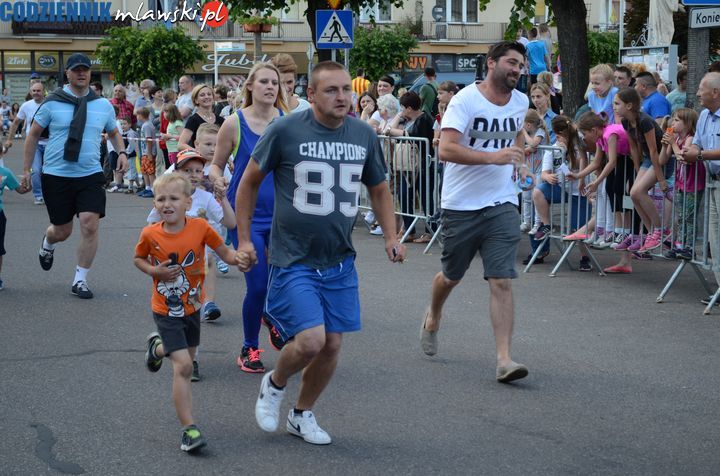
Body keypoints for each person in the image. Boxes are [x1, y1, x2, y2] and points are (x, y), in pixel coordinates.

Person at [235, 60, 405, 445]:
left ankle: (301, 414)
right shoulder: (285, 129)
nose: (342, 97)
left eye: (346, 89)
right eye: (331, 90)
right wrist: (244, 240)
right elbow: (248, 183)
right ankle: (275, 383)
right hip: (294, 256)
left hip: (339, 259)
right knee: (312, 340)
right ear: (311, 94)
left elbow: (379, 188)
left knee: (332, 345)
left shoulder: (363, 134)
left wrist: (391, 237)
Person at [421, 41, 529, 383]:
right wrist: (493, 157)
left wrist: (520, 158)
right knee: (451, 276)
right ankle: (433, 314)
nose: (517, 69)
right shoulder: (465, 100)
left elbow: (518, 134)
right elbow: (446, 149)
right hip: (461, 205)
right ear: (491, 63)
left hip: (501, 202)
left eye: (520, 65)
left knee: (501, 279)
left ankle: (504, 360)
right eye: (511, 62)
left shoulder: (521, 101)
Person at [136, 173, 249, 453]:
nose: (167, 204)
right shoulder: (150, 233)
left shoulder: (200, 227)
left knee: (181, 354)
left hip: (193, 307)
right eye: (161, 199)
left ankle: (157, 348)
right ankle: (189, 429)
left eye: (174, 198)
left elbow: (225, 253)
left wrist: (241, 258)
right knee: (184, 366)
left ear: (188, 202)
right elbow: (138, 258)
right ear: (155, 203)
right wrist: (154, 270)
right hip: (165, 309)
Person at [23, 53, 128, 299]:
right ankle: (48, 242)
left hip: (90, 174)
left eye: (85, 69)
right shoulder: (52, 102)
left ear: (90, 73)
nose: (82, 73)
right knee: (62, 231)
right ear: (67, 74)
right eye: (76, 69)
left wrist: (122, 152)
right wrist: (27, 170)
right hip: (56, 174)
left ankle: (80, 280)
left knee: (90, 224)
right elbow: (33, 135)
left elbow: (113, 132)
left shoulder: (102, 105)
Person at [210, 62, 288, 373]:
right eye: (264, 82)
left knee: (281, 283)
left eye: (275, 83)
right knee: (257, 286)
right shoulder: (234, 123)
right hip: (247, 217)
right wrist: (217, 178)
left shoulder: (287, 122)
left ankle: (269, 314)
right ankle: (249, 347)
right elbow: (216, 164)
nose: (270, 87)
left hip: (282, 217)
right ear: (251, 87)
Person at [570, 111, 634, 273]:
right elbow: (597, 162)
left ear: (593, 130)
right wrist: (579, 175)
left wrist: (596, 182)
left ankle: (621, 232)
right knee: (611, 191)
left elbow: (611, 162)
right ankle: (613, 232)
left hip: (629, 160)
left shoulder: (609, 134)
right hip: (622, 160)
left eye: (585, 134)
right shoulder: (600, 138)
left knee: (621, 194)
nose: (584, 138)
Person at [531, 115, 592, 270]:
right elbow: (544, 173)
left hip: (578, 189)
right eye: (556, 134)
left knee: (577, 227)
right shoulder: (553, 148)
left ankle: (585, 257)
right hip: (560, 187)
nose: (557, 138)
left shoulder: (579, 142)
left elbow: (581, 162)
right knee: (538, 192)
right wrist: (548, 177)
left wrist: (566, 151)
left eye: (560, 134)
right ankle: (547, 225)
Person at [682, 72, 720, 304]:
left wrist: (699, 155)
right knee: (714, 239)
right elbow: (697, 142)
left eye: (701, 89)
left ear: (715, 92)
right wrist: (691, 149)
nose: (697, 93)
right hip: (713, 181)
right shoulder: (704, 115)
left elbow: (702, 151)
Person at [617, 87, 668, 253]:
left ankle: (659, 229)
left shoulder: (645, 121)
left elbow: (654, 150)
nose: (614, 107)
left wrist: (661, 179)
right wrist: (638, 171)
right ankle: (650, 232)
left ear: (629, 105)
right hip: (647, 159)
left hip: (660, 158)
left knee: (638, 191)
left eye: (617, 104)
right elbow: (634, 147)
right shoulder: (626, 122)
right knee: (632, 193)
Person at [383, 91, 436, 243]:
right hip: (407, 166)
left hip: (423, 166)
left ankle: (430, 231)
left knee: (425, 199)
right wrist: (397, 119)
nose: (401, 111)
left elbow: (409, 134)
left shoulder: (424, 119)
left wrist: (391, 130)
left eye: (402, 108)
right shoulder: (406, 120)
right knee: (404, 196)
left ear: (409, 108)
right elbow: (389, 131)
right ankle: (409, 230)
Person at [660, 108, 701, 260]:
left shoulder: (691, 139)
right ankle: (680, 245)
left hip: (692, 183)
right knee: (681, 215)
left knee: (689, 215)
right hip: (681, 183)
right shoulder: (676, 139)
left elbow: (682, 157)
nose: (673, 123)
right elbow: (662, 160)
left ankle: (689, 246)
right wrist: (665, 145)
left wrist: (672, 143)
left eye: (677, 120)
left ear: (687, 124)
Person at [4, 82, 47, 205]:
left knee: (49, 171)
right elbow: (16, 122)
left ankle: (50, 194)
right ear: (30, 92)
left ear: (44, 92)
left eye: (38, 90)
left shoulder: (49, 104)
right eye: (33, 91)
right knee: (36, 170)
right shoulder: (26, 105)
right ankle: (38, 195)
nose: (36, 93)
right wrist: (9, 139)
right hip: (33, 143)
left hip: (50, 143)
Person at [0, 158, 30, 290]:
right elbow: (22, 190)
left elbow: (21, 189)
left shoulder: (5, 173)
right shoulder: (5, 172)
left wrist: (29, 181)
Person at [178, 84, 224, 149]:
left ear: (213, 98)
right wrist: (197, 153)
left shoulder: (221, 120)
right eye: (202, 95)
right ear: (196, 100)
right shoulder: (193, 120)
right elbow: (181, 144)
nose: (206, 97)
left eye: (209, 94)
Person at [136, 107, 158, 197]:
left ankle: (153, 189)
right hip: (145, 152)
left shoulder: (147, 126)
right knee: (144, 170)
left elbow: (149, 140)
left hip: (148, 152)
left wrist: (149, 153)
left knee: (150, 171)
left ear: (141, 116)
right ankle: (147, 188)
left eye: (138, 115)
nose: (137, 117)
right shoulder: (145, 125)